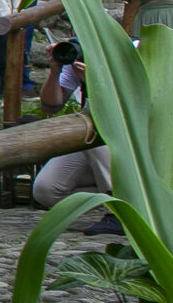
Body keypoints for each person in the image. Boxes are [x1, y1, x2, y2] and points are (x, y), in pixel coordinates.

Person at [32, 43, 119, 235]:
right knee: (46, 190)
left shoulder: (128, 50)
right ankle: (124, 196)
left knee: (91, 135)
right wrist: (54, 71)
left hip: (127, 138)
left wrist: (95, 82)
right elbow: (50, 108)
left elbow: (127, 107)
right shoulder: (76, 64)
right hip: (98, 145)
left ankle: (118, 214)